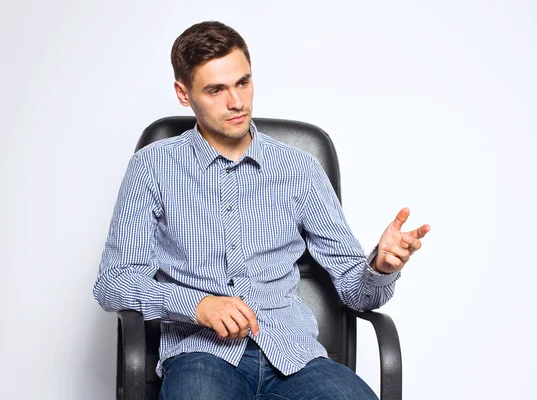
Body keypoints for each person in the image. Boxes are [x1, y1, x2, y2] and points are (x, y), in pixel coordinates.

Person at [93, 21, 430, 400]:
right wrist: (196, 304)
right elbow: (112, 282)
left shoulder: (299, 170)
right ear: (183, 94)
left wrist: (381, 267)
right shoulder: (152, 167)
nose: (236, 102)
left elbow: (358, 292)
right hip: (201, 356)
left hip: (294, 357)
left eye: (243, 82)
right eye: (215, 90)